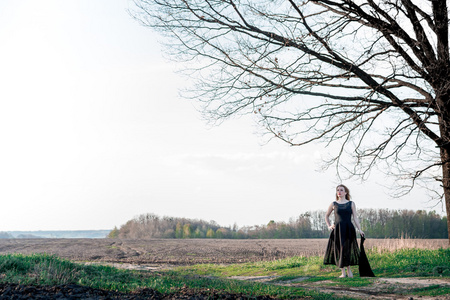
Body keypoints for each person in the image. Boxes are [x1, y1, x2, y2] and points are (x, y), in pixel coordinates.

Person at [323, 184, 364, 278]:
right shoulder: (334, 204)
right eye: (338, 190)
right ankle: (343, 273)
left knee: (347, 249)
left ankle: (349, 271)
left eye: (341, 190)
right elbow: (326, 216)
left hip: (348, 229)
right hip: (337, 230)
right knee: (339, 249)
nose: (339, 192)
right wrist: (329, 226)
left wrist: (360, 229)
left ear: (345, 192)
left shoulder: (351, 203)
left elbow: (355, 218)